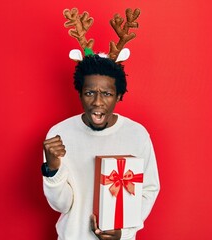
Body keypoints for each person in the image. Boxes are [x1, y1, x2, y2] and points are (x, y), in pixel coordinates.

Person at [42, 54, 160, 240]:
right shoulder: (59, 135)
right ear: (80, 93)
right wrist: (52, 170)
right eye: (90, 93)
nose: (98, 102)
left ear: (118, 96)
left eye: (107, 94)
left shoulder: (137, 135)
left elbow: (149, 190)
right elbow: (62, 205)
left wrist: (124, 233)